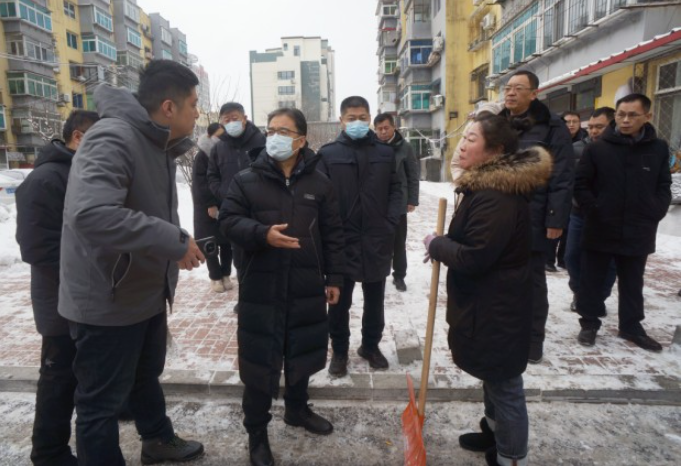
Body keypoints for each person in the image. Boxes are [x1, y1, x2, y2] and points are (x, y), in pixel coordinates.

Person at [58, 60, 205, 465]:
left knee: (144, 376)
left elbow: (143, 212)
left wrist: (175, 245)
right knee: (100, 402)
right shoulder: (114, 137)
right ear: (169, 107)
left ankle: (156, 439)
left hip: (142, 292)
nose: (198, 113)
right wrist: (172, 241)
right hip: (107, 300)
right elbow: (92, 214)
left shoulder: (157, 144)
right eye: (194, 104)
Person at [220, 108, 345, 466]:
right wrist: (262, 234)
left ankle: (297, 409)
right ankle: (257, 434)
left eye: (283, 131)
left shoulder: (320, 184)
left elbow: (334, 234)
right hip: (262, 286)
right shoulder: (246, 180)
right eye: (270, 129)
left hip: (306, 284)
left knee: (301, 353)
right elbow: (228, 222)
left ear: (301, 140)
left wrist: (335, 278)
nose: (273, 136)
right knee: (260, 364)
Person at [425, 115, 551, 466]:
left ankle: (510, 456)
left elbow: (475, 256)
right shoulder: (485, 188)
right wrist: (444, 243)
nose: (462, 145)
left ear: (495, 151)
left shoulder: (496, 197)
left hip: (498, 307)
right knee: (493, 376)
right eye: (463, 138)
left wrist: (437, 245)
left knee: (505, 385)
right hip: (487, 302)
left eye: (471, 139)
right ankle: (494, 433)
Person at [15, 110, 100, 466]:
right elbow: (36, 246)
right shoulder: (47, 179)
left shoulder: (79, 172)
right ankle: (48, 452)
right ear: (78, 138)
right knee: (58, 377)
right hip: (59, 302)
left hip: (85, 297)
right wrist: (91, 262)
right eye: (100, 140)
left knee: (82, 371)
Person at [574, 94, 672, 351]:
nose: (625, 120)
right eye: (620, 115)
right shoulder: (597, 148)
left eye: (632, 115)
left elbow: (663, 185)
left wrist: (655, 210)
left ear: (647, 116)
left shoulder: (658, 148)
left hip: (639, 228)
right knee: (592, 280)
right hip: (601, 225)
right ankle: (589, 323)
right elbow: (581, 184)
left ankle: (631, 326)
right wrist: (594, 209)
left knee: (633, 282)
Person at [318, 96, 402, 376]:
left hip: (377, 239)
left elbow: (396, 189)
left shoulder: (385, 153)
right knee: (339, 302)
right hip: (342, 241)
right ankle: (340, 351)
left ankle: (370, 346)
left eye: (363, 117)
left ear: (370, 118)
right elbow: (321, 197)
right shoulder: (328, 154)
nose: (357, 122)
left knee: (375, 300)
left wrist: (389, 222)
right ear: (341, 121)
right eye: (351, 118)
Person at [499, 70, 574, 364]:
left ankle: (533, 340)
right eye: (508, 87)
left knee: (531, 282)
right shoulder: (497, 124)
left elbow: (563, 176)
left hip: (533, 215)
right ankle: (505, 332)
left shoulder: (552, 127)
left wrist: (555, 219)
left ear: (534, 94)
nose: (510, 92)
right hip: (498, 215)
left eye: (518, 88)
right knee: (499, 278)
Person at [206, 102, 266, 293]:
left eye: (235, 118)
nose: (231, 123)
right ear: (221, 123)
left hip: (261, 207)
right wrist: (223, 194)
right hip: (234, 210)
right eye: (227, 119)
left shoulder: (262, 141)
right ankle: (246, 298)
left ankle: (266, 296)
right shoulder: (218, 148)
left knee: (264, 252)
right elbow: (212, 175)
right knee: (239, 257)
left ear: (244, 119)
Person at [564, 107, 617, 312]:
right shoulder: (577, 149)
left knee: (608, 261)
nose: (594, 131)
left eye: (599, 127)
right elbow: (568, 180)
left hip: (610, 216)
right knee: (572, 256)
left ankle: (598, 298)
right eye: (591, 127)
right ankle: (580, 293)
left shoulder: (621, 151)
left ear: (612, 125)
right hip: (579, 212)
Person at [374, 113, 420, 292]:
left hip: (399, 202)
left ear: (394, 127)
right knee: (378, 240)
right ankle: (378, 273)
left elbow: (412, 175)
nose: (383, 132)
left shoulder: (405, 147)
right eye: (379, 129)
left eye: (386, 128)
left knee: (399, 242)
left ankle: (399, 275)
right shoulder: (372, 146)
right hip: (377, 203)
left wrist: (412, 200)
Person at [192, 122, 232, 293]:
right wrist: (210, 203)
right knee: (211, 244)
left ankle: (226, 274)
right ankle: (215, 277)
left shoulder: (227, 153)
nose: (222, 139)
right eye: (218, 135)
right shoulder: (202, 156)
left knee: (228, 242)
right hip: (207, 207)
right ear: (210, 136)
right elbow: (200, 183)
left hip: (226, 203)